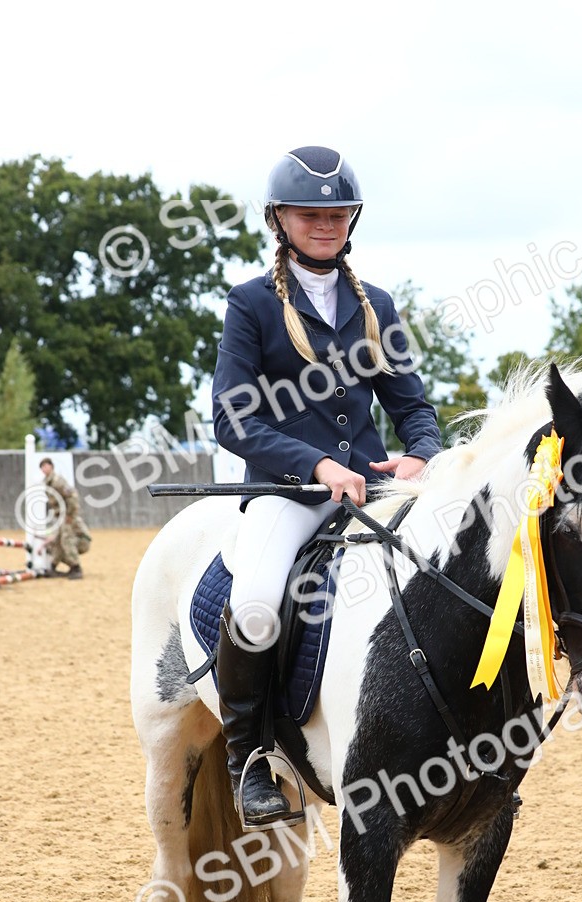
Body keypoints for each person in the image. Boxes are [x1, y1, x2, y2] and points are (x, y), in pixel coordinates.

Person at [212, 145, 443, 828]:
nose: (325, 222)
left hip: (372, 488)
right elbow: (232, 415)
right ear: (279, 219)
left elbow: (411, 406)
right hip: (289, 493)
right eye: (309, 212)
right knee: (256, 603)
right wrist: (313, 465)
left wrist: (421, 454)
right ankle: (250, 761)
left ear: (353, 220)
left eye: (337, 212)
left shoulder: (377, 305)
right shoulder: (250, 303)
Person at [39, 458, 92, 579]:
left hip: (66, 515)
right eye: (42, 467)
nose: (44, 469)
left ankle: (76, 568)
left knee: (66, 539)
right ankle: (52, 566)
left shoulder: (58, 481)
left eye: (46, 466)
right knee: (57, 541)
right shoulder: (47, 482)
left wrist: (70, 514)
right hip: (60, 516)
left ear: (51, 467)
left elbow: (72, 497)